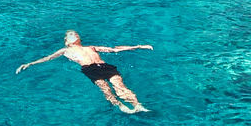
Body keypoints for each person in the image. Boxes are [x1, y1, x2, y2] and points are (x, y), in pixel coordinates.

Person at [16, 29, 152, 113]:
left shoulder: (90, 47)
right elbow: (48, 58)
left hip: (104, 66)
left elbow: (113, 49)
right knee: (105, 88)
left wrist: (138, 46)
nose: (73, 34)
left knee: (120, 86)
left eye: (75, 33)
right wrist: (30, 63)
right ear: (66, 41)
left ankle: (137, 105)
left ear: (79, 38)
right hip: (89, 69)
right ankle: (120, 106)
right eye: (70, 34)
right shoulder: (65, 51)